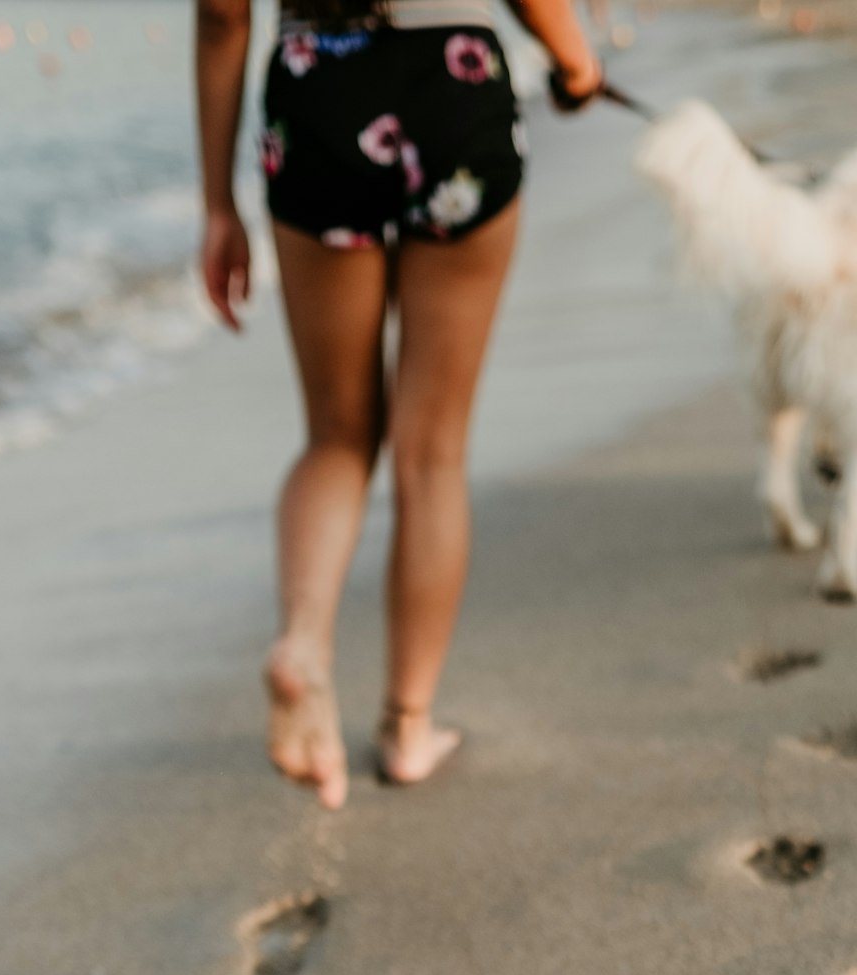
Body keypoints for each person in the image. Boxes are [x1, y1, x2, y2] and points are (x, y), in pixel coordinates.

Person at [195, 0, 603, 802]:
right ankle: (408, 726)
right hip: (453, 86)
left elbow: (220, 14)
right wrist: (577, 64)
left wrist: (217, 204)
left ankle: (305, 645)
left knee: (338, 436)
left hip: (319, 93)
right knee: (432, 449)